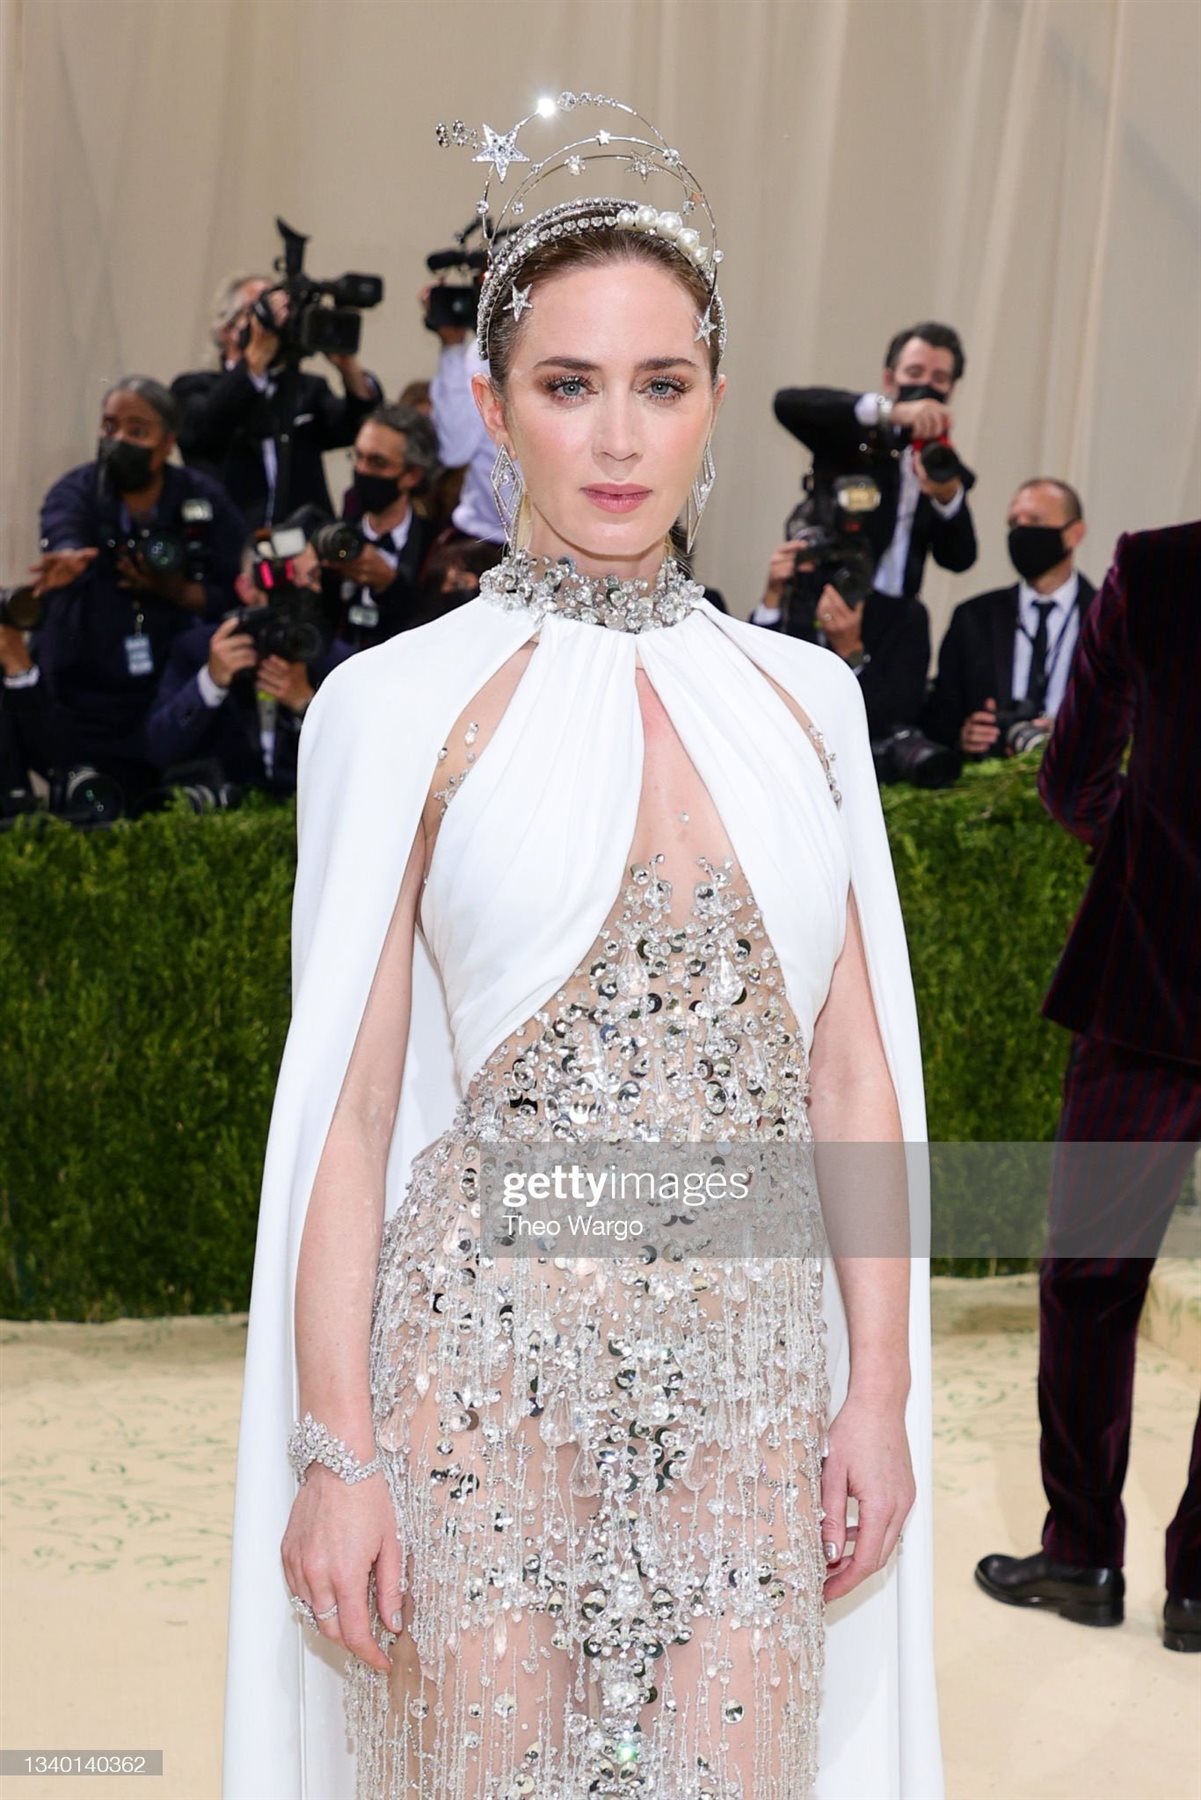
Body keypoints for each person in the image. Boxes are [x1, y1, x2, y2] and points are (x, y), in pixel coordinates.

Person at [223, 96, 942, 1800]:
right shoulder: (395, 708)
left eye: (660, 384)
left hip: (756, 1385)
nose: (618, 439)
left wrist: (878, 1397)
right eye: (567, 385)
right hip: (480, 1379)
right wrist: (338, 1453)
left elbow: (854, 1077)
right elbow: (349, 1109)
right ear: (491, 406)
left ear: (712, 399)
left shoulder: (804, 703)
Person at [974, 521, 1201, 1656]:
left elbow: (1070, 781)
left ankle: (1080, 1555)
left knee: (1091, 1284)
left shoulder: (1156, 570)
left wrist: (1150, 859)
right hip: (1143, 989)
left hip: (1149, 982)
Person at [29, 376, 243, 805]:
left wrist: (174, 589)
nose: (119, 440)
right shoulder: (77, 491)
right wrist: (69, 557)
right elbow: (63, 529)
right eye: (110, 426)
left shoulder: (203, 498)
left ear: (167, 443)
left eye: (137, 430)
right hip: (87, 696)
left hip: (170, 695)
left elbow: (226, 592)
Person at [145, 526, 352, 797]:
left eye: (311, 576)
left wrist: (307, 705)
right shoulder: (199, 648)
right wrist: (210, 683)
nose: (301, 589)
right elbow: (157, 748)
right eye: (285, 577)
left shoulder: (338, 661)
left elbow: (362, 758)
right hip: (223, 811)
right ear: (245, 588)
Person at [172, 272, 382, 527]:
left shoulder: (307, 389)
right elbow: (207, 427)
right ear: (226, 329)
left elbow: (359, 428)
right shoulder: (192, 388)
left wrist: (347, 365)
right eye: (262, 310)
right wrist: (255, 359)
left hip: (304, 539)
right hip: (230, 536)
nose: (277, 320)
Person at [922, 478, 1092, 756]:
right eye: (1014, 523)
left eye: (1035, 521)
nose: (1021, 531)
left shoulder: (1114, 620)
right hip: (988, 775)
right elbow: (938, 718)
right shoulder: (973, 618)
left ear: (1074, 533)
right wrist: (962, 737)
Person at [318, 405, 441, 648]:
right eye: (358, 456)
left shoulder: (434, 546)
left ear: (412, 476)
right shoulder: (332, 535)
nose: (362, 470)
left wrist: (389, 585)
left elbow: (432, 631)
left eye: (377, 462)